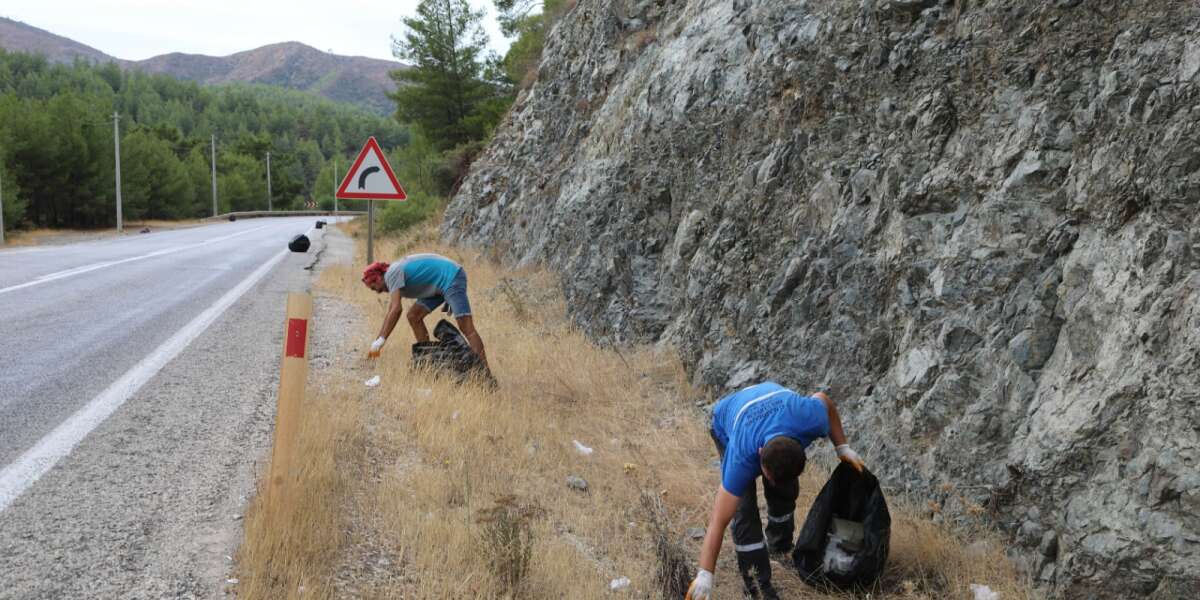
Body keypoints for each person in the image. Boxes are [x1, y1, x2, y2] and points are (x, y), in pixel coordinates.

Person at [686, 382, 865, 600]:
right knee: (744, 512)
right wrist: (705, 575)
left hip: (776, 405)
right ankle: (757, 586)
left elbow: (824, 400)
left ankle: (779, 547)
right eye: (768, 476)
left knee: (785, 492)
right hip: (728, 419)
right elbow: (718, 522)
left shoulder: (809, 418)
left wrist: (842, 447)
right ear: (760, 454)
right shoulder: (741, 457)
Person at [361, 253, 488, 369]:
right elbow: (391, 312)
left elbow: (396, 309)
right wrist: (375, 346)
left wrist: (381, 341)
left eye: (374, 288)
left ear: (378, 278)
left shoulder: (391, 274)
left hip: (451, 276)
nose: (378, 292)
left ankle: (484, 373)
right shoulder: (393, 275)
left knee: (467, 328)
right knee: (413, 316)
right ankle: (428, 361)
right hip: (439, 285)